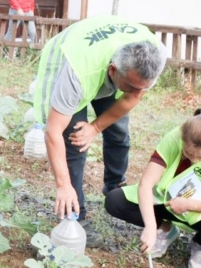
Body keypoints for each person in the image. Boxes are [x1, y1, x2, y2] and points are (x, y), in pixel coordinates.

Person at [33, 15, 166, 247]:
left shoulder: (155, 56)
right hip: (74, 60)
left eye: (143, 88)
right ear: (113, 71)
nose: (138, 93)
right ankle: (75, 215)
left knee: (119, 133)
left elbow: (131, 98)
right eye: (133, 87)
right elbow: (53, 132)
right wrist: (62, 185)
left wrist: (95, 127)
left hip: (109, 68)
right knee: (74, 142)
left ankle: (114, 186)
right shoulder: (77, 73)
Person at [105, 108, 201, 268]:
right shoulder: (175, 137)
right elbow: (146, 183)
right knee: (115, 201)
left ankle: (200, 245)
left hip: (199, 212)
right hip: (166, 201)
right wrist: (150, 227)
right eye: (188, 153)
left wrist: (189, 204)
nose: (193, 159)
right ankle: (165, 229)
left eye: (200, 157)